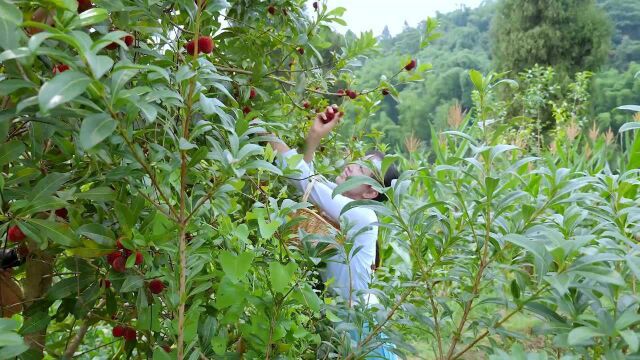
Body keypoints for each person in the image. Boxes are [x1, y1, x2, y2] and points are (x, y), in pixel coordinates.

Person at [268, 105, 399, 359]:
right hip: (342, 322)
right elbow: (308, 180)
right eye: (357, 162)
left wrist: (264, 133)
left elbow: (305, 181)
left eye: (363, 170)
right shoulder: (343, 204)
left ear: (371, 192)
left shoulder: (363, 215)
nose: (352, 166)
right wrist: (314, 138)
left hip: (360, 325)